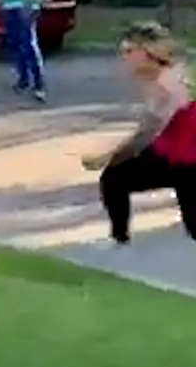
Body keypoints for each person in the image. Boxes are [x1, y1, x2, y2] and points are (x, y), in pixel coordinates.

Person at [82, 21, 196, 244]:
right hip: (169, 156)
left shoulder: (169, 82)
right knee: (115, 177)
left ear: (148, 52)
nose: (124, 57)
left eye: (129, 51)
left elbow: (146, 134)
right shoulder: (159, 78)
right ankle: (119, 239)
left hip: (189, 162)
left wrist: (106, 157)